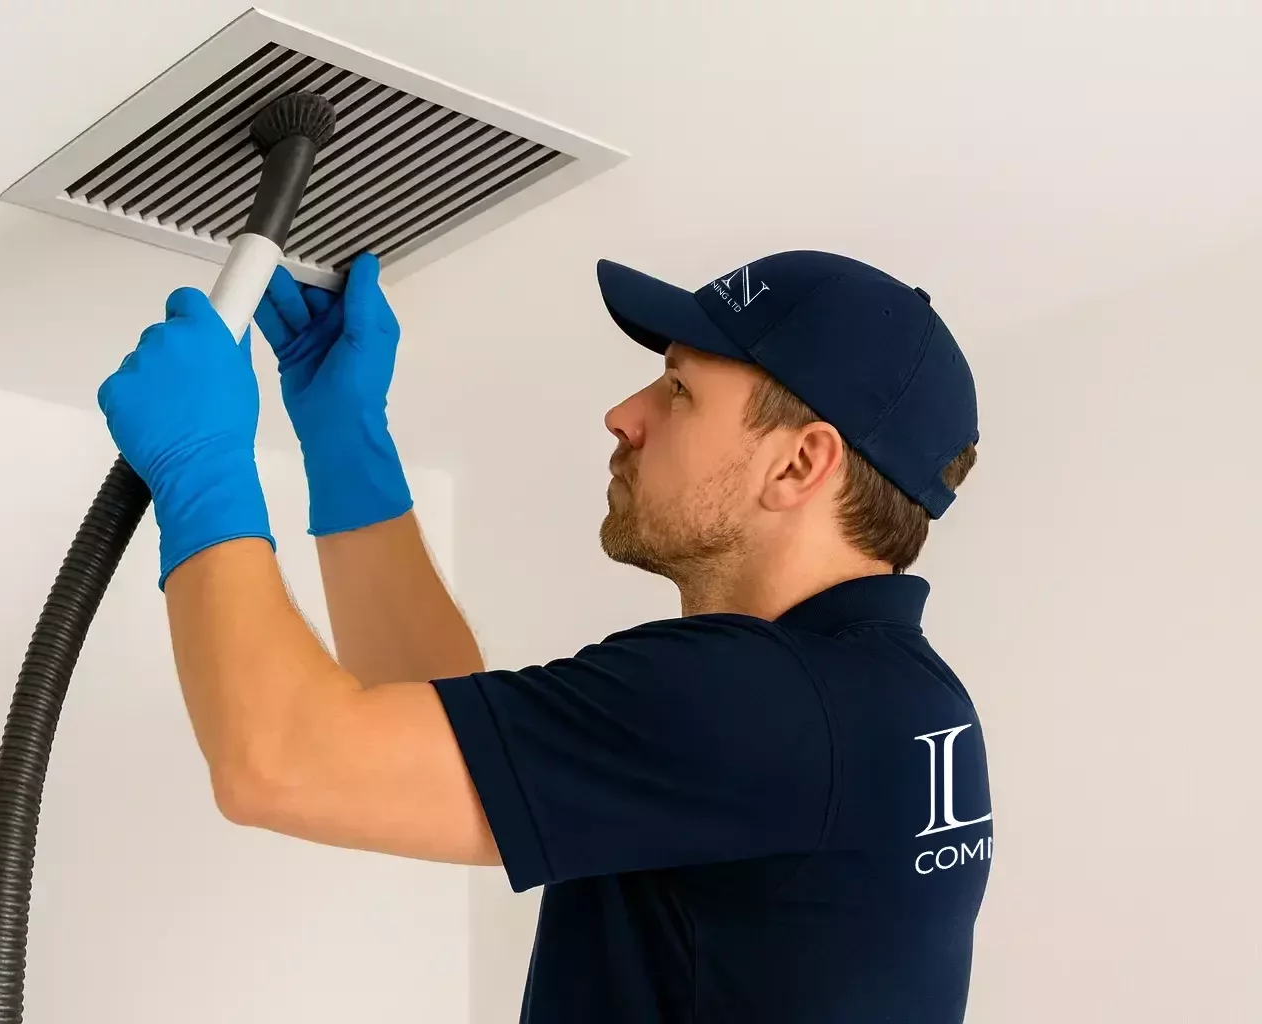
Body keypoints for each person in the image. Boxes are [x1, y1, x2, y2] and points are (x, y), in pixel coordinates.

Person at [97, 247, 993, 1023]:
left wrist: (199, 469)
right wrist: (346, 440)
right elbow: (440, 733)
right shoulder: (900, 698)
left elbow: (282, 761)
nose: (625, 414)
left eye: (680, 391)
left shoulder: (760, 700)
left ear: (802, 462)